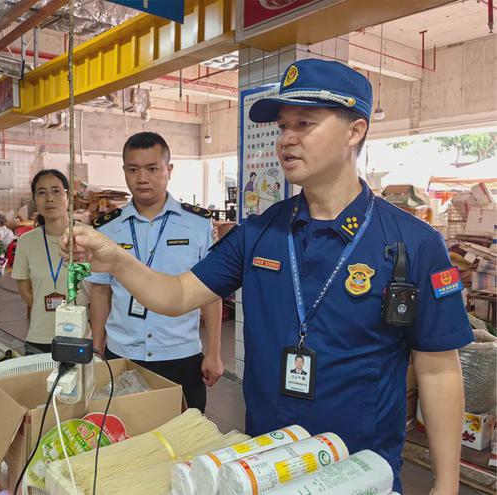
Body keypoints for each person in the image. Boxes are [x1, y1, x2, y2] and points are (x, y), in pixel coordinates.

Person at [62, 59, 473, 494]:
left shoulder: (412, 243)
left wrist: (446, 484)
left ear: (355, 131)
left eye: (304, 124)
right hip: (266, 464)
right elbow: (177, 294)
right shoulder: (260, 233)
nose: (286, 139)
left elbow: (438, 370)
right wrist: (118, 260)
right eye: (282, 127)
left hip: (362, 469)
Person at [88, 132, 223, 412]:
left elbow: (211, 293)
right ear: (124, 171)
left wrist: (214, 352)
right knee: (123, 431)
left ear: (168, 170)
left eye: (152, 169)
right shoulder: (107, 228)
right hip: (122, 352)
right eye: (133, 170)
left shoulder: (197, 225)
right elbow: (100, 292)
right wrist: (97, 351)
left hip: (180, 354)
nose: (142, 178)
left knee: (184, 432)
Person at [12, 170, 88, 354]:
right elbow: (24, 290)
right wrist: (44, 309)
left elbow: (100, 291)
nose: (49, 198)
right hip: (40, 336)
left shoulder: (88, 236)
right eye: (41, 192)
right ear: (34, 199)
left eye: (56, 191)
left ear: (68, 196)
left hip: (82, 334)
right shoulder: (26, 241)